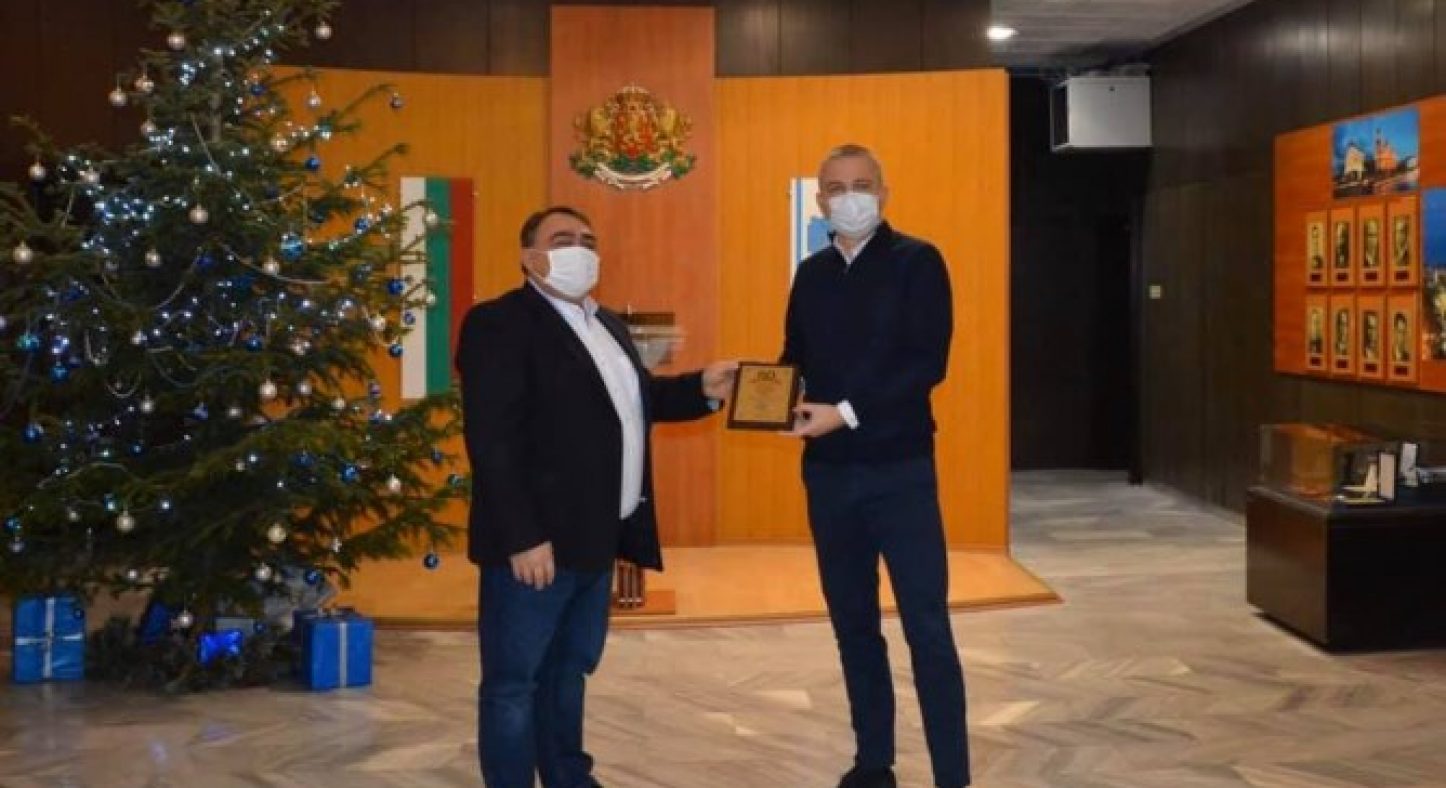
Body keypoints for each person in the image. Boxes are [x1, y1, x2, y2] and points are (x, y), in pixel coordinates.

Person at [456, 206, 736, 788]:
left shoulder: (606, 323)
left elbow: (635, 404)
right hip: (535, 548)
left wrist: (702, 389)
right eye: (563, 239)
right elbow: (492, 440)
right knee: (513, 685)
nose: (580, 249)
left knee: (568, 672)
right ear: (530, 257)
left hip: (597, 537)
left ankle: (569, 778)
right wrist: (523, 537)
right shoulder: (498, 323)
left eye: (588, 240)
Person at [781, 144, 969, 788]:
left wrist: (845, 412)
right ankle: (873, 762)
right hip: (829, 475)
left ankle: (952, 775)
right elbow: (793, 356)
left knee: (927, 627)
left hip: (900, 472)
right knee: (853, 626)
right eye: (836, 188)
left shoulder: (918, 261)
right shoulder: (811, 274)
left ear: (883, 194)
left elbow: (927, 363)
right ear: (820, 201)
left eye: (861, 185)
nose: (850, 197)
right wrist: (767, 399)